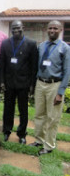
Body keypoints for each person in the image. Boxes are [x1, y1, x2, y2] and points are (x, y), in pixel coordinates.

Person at [29, 20, 70, 155]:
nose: (52, 30)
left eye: (55, 28)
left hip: (54, 84)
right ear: (47, 30)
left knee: (53, 117)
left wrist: (61, 92)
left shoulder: (65, 48)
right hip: (41, 83)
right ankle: (39, 140)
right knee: (39, 114)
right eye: (50, 28)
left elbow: (67, 71)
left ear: (60, 30)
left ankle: (49, 145)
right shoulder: (41, 46)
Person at [0, 20, 38, 144]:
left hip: (24, 83)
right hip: (9, 82)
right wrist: (2, 81)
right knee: (8, 108)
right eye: (13, 28)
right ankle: (6, 131)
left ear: (23, 28)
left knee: (23, 110)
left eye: (18, 27)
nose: (16, 30)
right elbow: (2, 64)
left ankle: (22, 134)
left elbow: (34, 66)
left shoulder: (31, 44)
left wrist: (32, 84)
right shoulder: (5, 43)